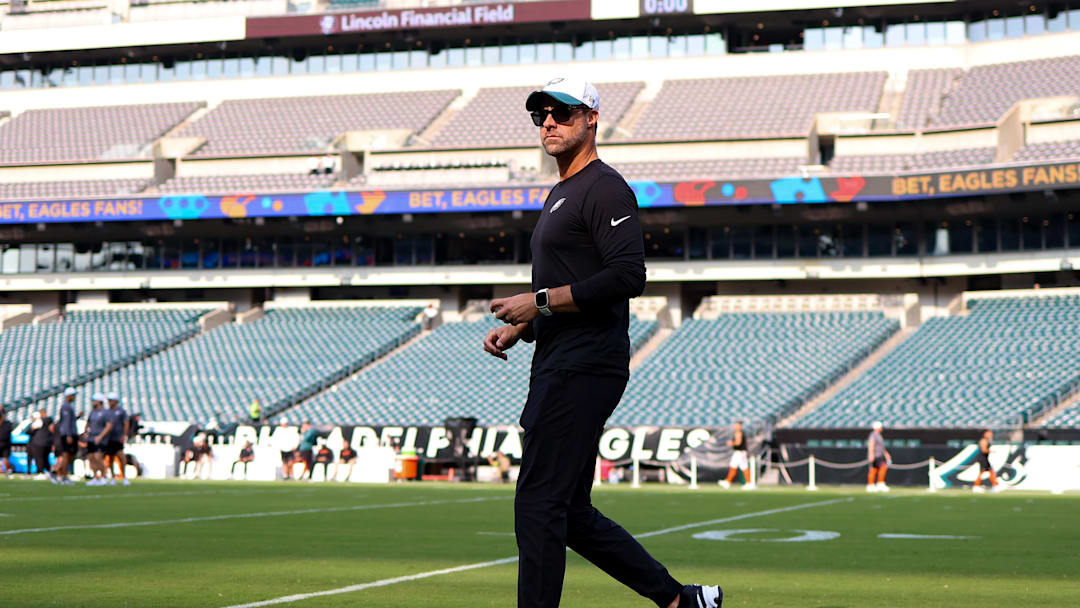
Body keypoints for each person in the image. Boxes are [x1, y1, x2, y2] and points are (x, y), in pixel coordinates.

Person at [482, 77, 721, 608]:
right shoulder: (560, 191)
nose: (548, 122)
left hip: (584, 366)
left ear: (592, 117)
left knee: (539, 504)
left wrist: (537, 302)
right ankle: (682, 601)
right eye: (540, 114)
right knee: (566, 511)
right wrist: (524, 326)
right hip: (561, 359)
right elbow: (575, 285)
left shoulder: (605, 186)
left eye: (561, 113)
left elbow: (627, 276)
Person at [50, 387, 79, 485]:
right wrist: (69, 435)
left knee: (70, 456)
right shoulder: (66, 406)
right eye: (73, 395)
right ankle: (61, 475)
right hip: (68, 434)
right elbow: (66, 422)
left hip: (69, 434)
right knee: (66, 455)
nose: (74, 397)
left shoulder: (68, 406)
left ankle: (58, 473)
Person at [104, 392, 130, 486]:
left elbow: (126, 423)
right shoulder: (106, 412)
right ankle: (112, 477)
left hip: (118, 438)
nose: (109, 402)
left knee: (121, 456)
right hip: (109, 438)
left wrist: (124, 435)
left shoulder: (121, 411)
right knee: (109, 458)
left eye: (111, 400)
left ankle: (124, 476)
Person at [719, 421, 754, 490]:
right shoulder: (741, 433)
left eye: (737, 425)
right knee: (744, 467)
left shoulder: (738, 433)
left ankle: (728, 481)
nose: (735, 427)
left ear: (740, 426)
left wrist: (731, 443)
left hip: (739, 453)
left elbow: (738, 443)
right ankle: (748, 483)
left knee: (734, 466)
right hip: (742, 452)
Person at [86, 394, 111, 486]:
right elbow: (88, 423)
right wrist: (86, 432)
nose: (93, 402)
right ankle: (95, 477)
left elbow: (109, 426)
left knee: (98, 457)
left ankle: (103, 476)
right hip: (91, 438)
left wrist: (100, 436)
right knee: (91, 458)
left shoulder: (105, 412)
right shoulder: (92, 412)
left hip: (100, 439)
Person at [28, 408, 54, 479]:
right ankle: (49, 472)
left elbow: (32, 428)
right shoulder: (50, 420)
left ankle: (40, 472)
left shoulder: (40, 420)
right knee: (46, 458)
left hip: (39, 442)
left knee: (39, 457)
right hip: (48, 442)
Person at [866, 421, 891, 493]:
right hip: (876, 455)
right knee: (879, 468)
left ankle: (873, 485)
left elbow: (881, 446)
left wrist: (886, 453)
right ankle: (877, 484)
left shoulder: (878, 435)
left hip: (879, 455)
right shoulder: (873, 435)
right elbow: (871, 444)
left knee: (876, 469)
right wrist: (871, 454)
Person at [0, 407, 12, 476]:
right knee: (6, 458)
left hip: (5, 443)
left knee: (6, 458)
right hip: (5, 443)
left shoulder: (7, 423)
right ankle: (7, 472)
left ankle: (7, 471)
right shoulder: (8, 423)